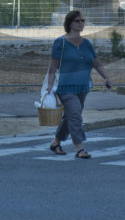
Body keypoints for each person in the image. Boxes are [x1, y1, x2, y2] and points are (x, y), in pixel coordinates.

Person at [46, 10, 113, 159]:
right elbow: (53, 66)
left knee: (70, 116)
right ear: (69, 23)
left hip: (83, 87)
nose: (81, 23)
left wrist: (106, 77)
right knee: (75, 115)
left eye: (83, 21)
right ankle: (79, 148)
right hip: (66, 87)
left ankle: (56, 142)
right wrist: (50, 85)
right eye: (77, 21)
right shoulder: (60, 43)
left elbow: (96, 63)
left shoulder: (87, 44)